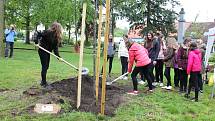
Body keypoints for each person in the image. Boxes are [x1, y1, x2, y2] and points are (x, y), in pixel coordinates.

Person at [35, 22, 63, 87]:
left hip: (48, 52)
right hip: (42, 51)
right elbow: (38, 34)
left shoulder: (56, 37)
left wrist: (58, 57)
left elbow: (55, 48)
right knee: (44, 66)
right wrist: (36, 42)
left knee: (47, 66)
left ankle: (43, 81)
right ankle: (43, 82)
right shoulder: (48, 32)